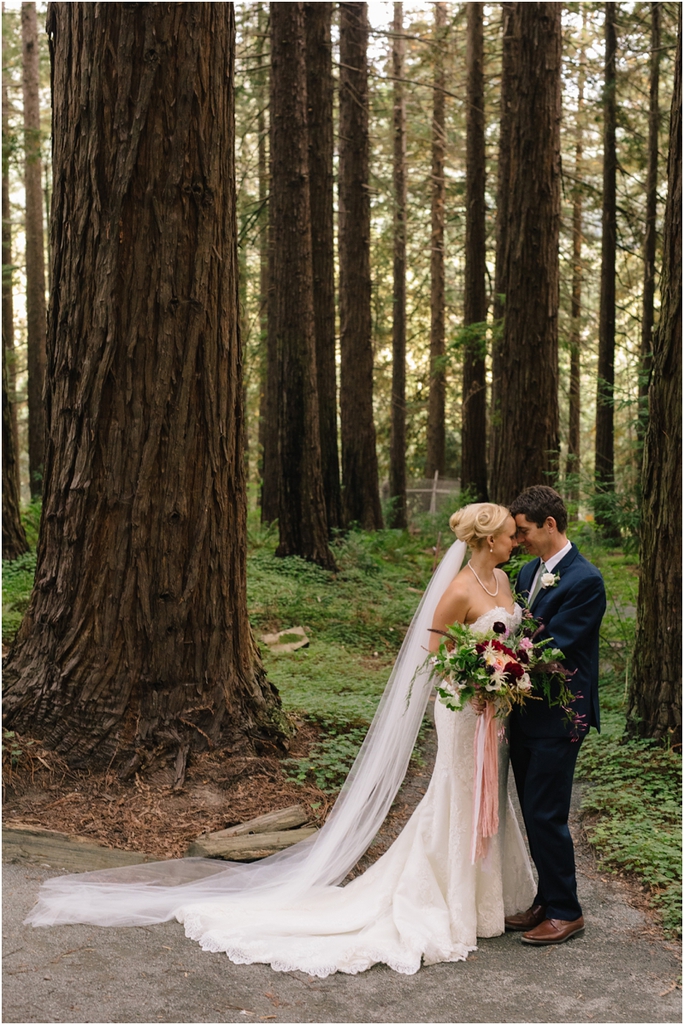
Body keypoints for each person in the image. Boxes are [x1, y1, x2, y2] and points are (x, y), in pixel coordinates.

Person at [26, 503, 536, 977]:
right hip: (464, 709)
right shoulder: (460, 589)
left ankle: (480, 902)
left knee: (486, 795)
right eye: (511, 536)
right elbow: (433, 651)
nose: (516, 541)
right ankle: (441, 898)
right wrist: (474, 676)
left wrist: (507, 672)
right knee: (455, 793)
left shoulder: (501, 582)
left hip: (494, 712)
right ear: (489, 540)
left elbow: (505, 639)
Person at [505, 485, 606, 947]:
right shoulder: (528, 571)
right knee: (532, 809)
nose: (518, 538)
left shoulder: (585, 580)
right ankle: (546, 899)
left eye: (523, 530)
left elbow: (555, 646)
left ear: (550, 525)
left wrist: (498, 664)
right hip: (526, 712)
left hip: (561, 716)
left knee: (547, 813)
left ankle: (568, 911)